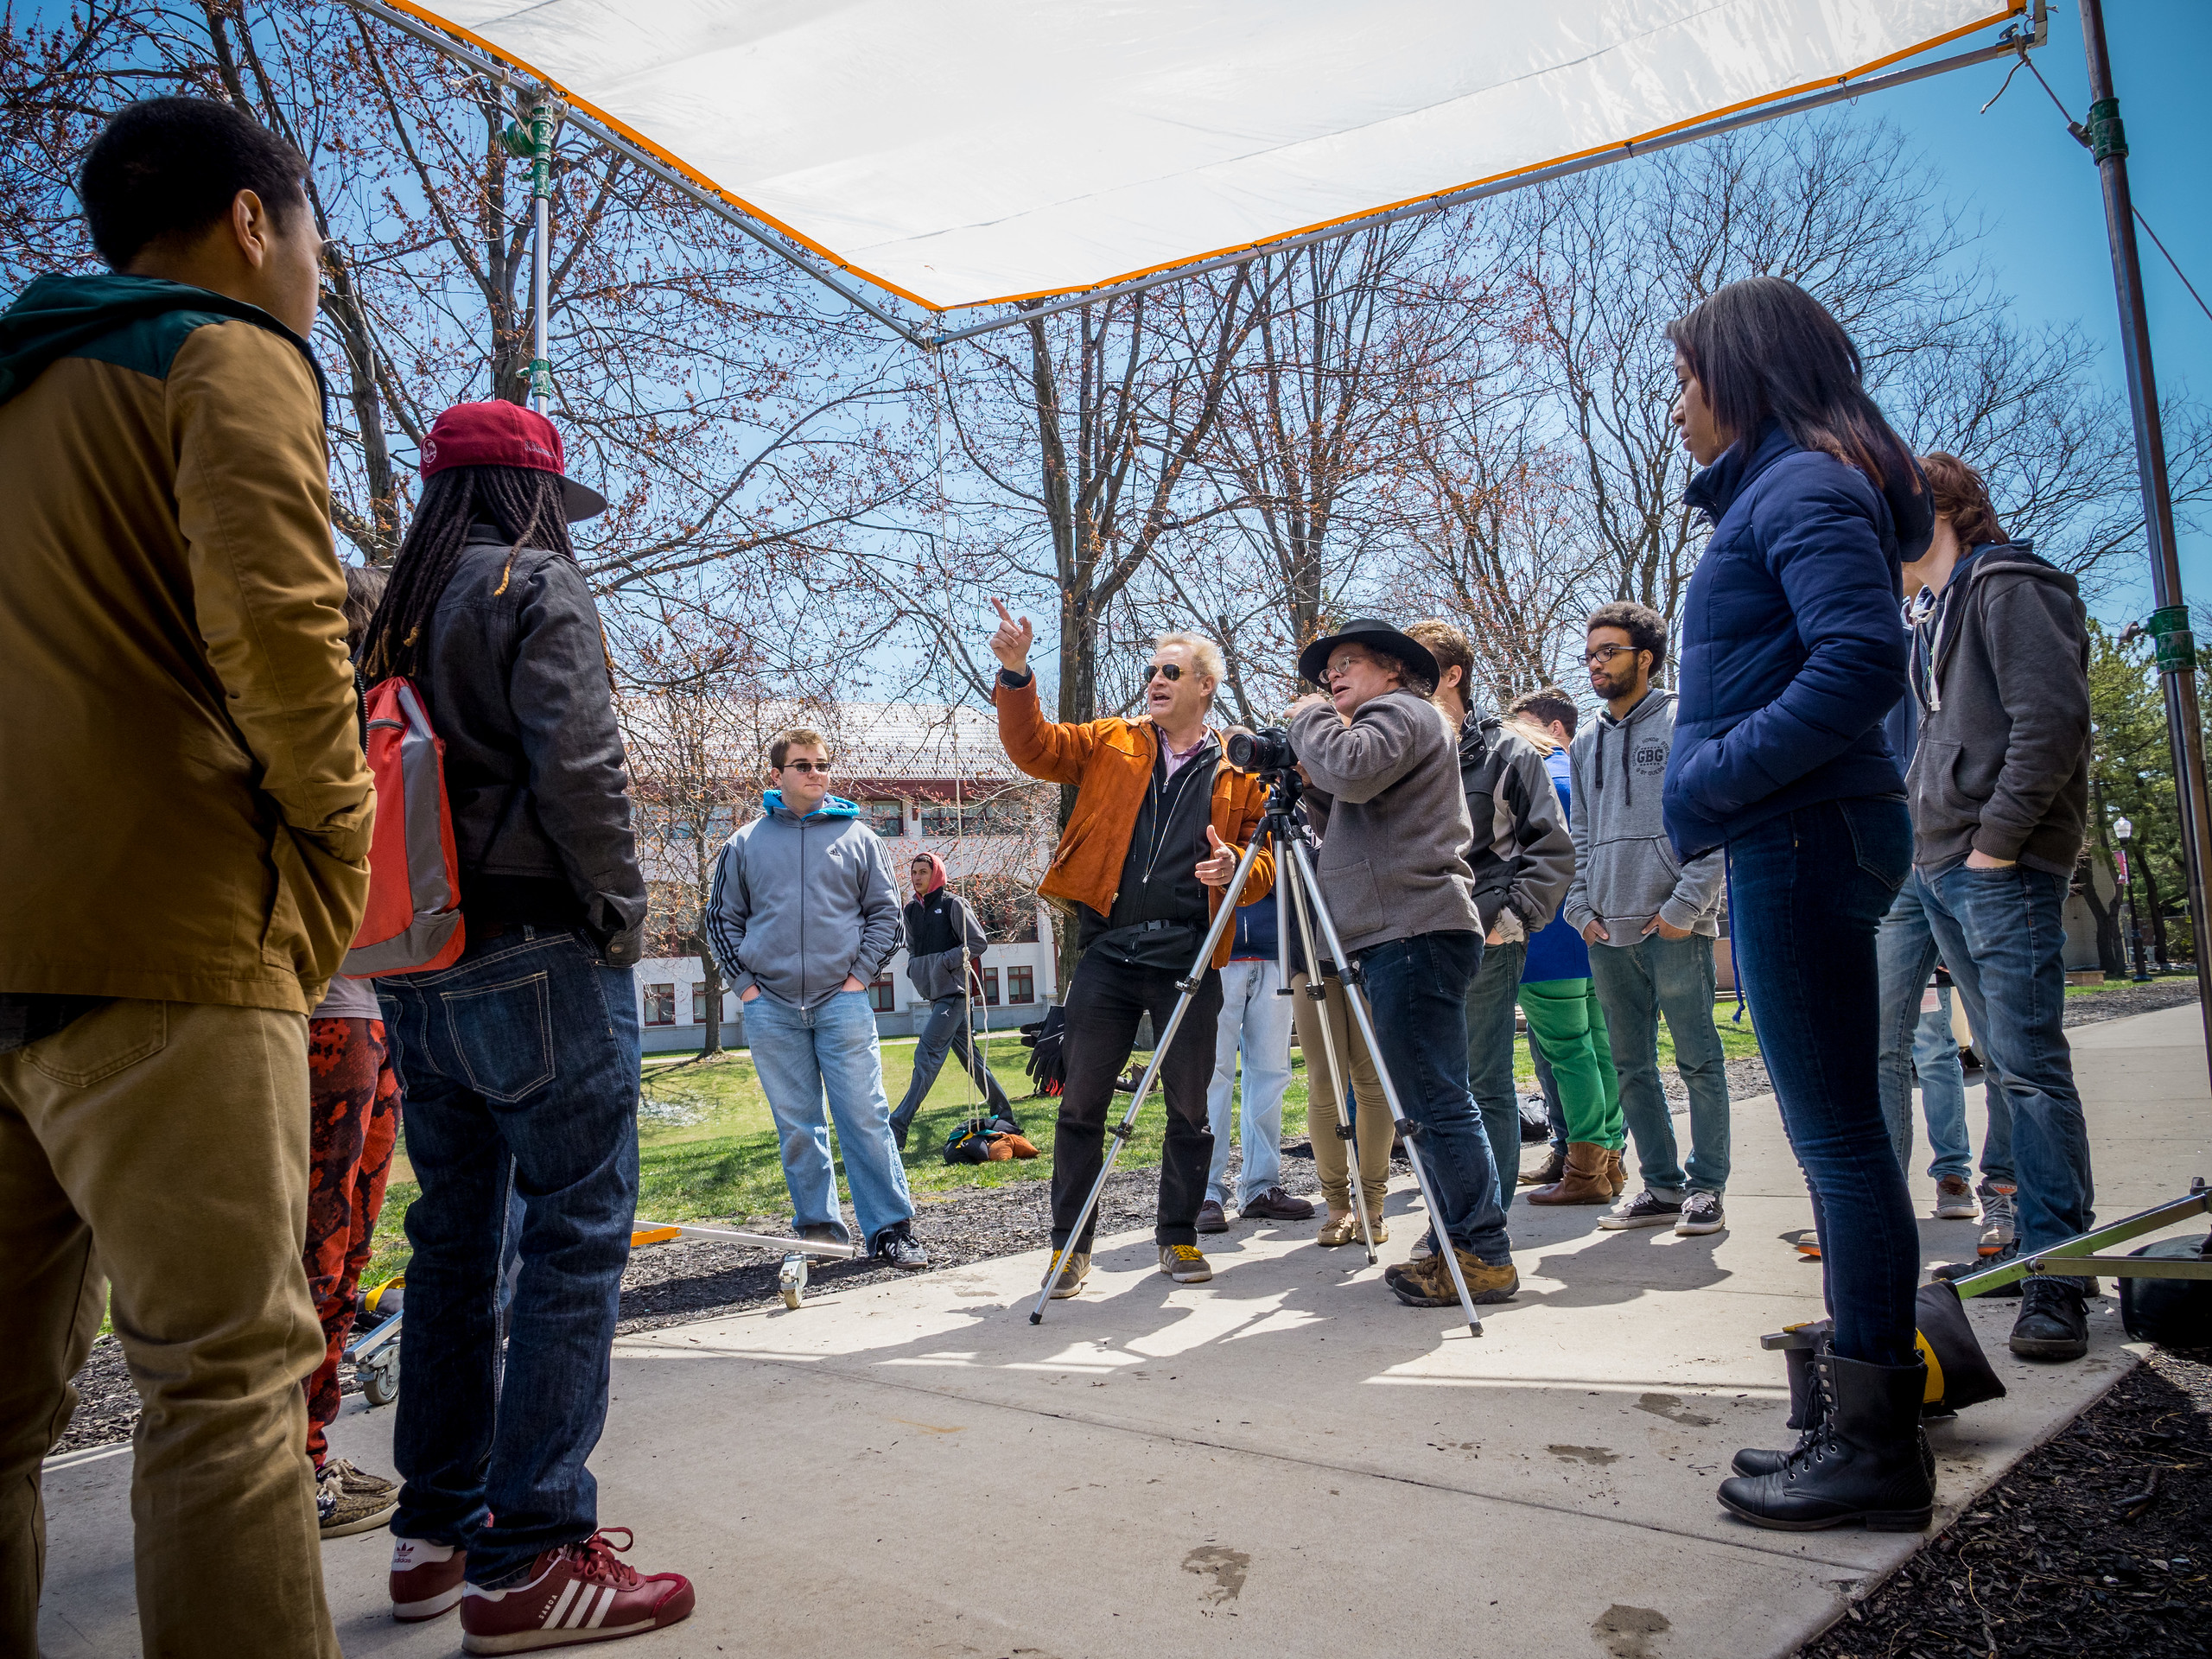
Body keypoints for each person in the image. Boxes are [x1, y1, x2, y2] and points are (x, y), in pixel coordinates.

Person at [0, 98, 370, 1659]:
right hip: (164, 941)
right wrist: (332, 860)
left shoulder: (22, 383)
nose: (315, 280)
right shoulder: (225, 353)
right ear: (251, 221)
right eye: (316, 245)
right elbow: (284, 640)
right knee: (224, 1388)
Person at [364, 401, 694, 1647]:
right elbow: (584, 767)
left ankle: (434, 1535)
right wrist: (618, 915)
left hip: (414, 952)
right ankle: (535, 1555)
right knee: (573, 1234)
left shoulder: (386, 611)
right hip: (534, 943)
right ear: (531, 493)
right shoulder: (531, 581)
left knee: (454, 1239)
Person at [1661, 276, 1935, 1531]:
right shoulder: (1786, 488)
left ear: (1743, 373)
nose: (1677, 408)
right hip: (1801, 825)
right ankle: (1846, 1417)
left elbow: (1862, 660)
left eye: (1685, 380)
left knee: (1838, 1141)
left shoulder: (1804, 486)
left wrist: (1711, 776)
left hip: (1805, 827)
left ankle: (1874, 1450)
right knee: (1837, 1136)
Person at [988, 602, 1270, 1297]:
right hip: (1109, 952)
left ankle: (1178, 1235)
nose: (1155, 681)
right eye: (1152, 671)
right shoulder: (1112, 740)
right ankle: (1069, 1248)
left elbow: (1265, 859)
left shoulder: (1239, 769)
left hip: (1191, 958)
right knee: (1081, 1104)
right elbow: (1035, 749)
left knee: (1190, 1108)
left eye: (1171, 671)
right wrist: (1017, 674)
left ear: (1205, 685)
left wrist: (1236, 866)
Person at [1904, 452, 2098, 1363]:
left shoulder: (2011, 584)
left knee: (2029, 1070)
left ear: (1933, 510)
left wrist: (1997, 844)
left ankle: (2060, 1271)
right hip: (1945, 864)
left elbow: (2051, 721)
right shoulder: (1931, 613)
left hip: (1998, 867)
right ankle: (2028, 1249)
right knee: (2005, 1071)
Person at [1287, 620, 1518, 1310]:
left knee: (1436, 1103)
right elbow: (1352, 808)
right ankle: (1460, 1245)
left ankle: (1481, 1254)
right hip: (1402, 930)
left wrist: (1308, 720)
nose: (1331, 678)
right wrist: (1309, 780)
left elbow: (1352, 771)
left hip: (1413, 929)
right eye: (1325, 672)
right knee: (1427, 1102)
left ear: (1393, 669)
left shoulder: (1400, 711)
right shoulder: (1394, 726)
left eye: (1346, 663)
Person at [708, 729, 924, 1268]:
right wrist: (747, 989)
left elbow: (888, 917)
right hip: (771, 1007)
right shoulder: (743, 843)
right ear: (777, 774)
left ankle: (890, 1229)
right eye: (802, 765)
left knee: (865, 1116)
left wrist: (858, 978)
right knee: (798, 1127)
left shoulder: (860, 838)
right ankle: (818, 1231)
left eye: (822, 764)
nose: (815, 773)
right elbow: (720, 921)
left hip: (841, 1002)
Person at [1562, 602, 1732, 1236]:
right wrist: (1579, 908)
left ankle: (1707, 1189)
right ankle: (1660, 1187)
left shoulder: (1686, 721)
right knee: (1631, 1068)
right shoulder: (1585, 741)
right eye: (1590, 654)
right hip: (1606, 930)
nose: (1596, 664)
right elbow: (1579, 835)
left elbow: (1717, 820)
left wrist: (1685, 908)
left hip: (1674, 926)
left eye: (1609, 652)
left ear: (1647, 658)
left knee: (1699, 1061)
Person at [302, 563, 408, 1541]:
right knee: (321, 1252)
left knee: (332, 1251)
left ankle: (310, 1453)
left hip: (361, 1012)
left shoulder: (381, 726)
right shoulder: (346, 732)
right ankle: (299, 1467)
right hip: (336, 1017)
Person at [1402, 620, 1573, 1215]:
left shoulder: (1507, 750)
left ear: (1453, 674)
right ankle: (1450, 1222)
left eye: (1418, 667)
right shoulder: (1400, 748)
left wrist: (1511, 920)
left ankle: (1485, 1228)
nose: (1404, 679)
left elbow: (1552, 848)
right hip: (1412, 941)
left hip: (1486, 940)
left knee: (1483, 1083)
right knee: (1428, 1090)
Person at [1877, 671, 1997, 1233]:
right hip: (1895, 879)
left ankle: (1959, 1176)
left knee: (1941, 1050)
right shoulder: (1872, 664)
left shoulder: (1939, 656)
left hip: (1954, 861)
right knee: (1892, 1046)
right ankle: (1879, 1195)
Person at [1503, 702, 1630, 1206]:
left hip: (1544, 936)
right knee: (1599, 1046)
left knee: (1568, 1053)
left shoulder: (1521, 776)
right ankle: (1610, 1158)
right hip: (1592, 927)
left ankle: (1585, 1170)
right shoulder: (1579, 772)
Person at [1198, 898, 1315, 1231]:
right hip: (1216, 953)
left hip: (1276, 952)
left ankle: (1261, 1186)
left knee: (1272, 1073)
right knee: (1212, 1074)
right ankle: (1205, 1191)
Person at [889, 851, 1015, 1150]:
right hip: (935, 995)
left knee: (926, 1055)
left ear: (936, 874)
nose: (917, 877)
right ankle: (1005, 1115)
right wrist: (915, 968)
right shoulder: (911, 910)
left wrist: (945, 962)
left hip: (954, 995)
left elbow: (978, 942)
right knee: (973, 1061)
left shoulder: (953, 904)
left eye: (923, 872)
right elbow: (913, 948)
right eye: (914, 872)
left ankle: (897, 1126)